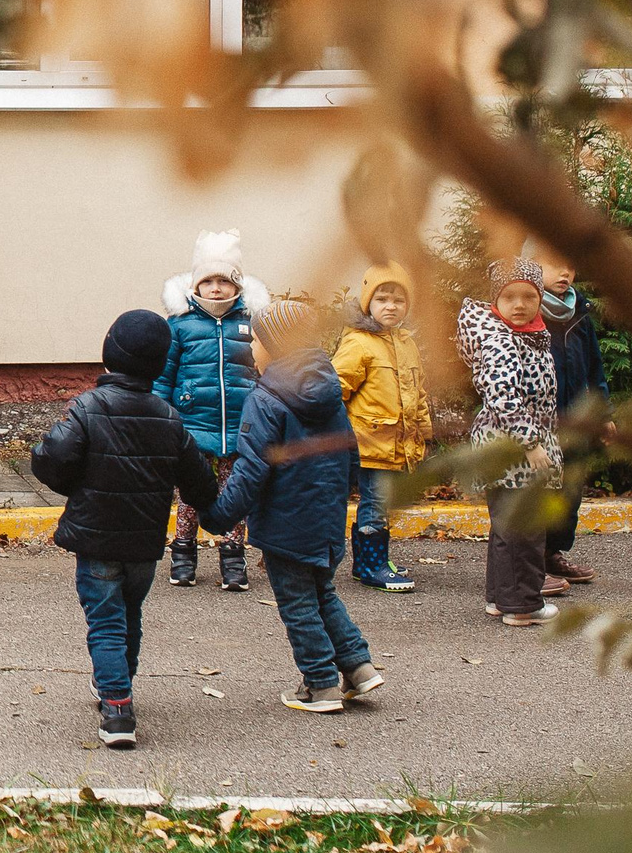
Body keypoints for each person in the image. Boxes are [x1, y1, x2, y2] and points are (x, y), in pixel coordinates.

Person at [29, 309, 220, 749]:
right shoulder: (169, 418)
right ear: (160, 364)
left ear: (109, 353)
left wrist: (75, 486)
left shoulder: (87, 408)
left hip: (97, 539)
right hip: (143, 544)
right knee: (128, 615)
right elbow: (200, 484)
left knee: (105, 622)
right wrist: (221, 511)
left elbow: (51, 458)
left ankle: (117, 707)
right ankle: (118, 684)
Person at [203, 307, 383, 715]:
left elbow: (251, 470)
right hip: (326, 515)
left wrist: (218, 516)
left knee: (298, 604)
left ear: (276, 345)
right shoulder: (328, 389)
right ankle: (358, 666)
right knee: (321, 592)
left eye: (257, 341)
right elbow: (350, 453)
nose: (252, 349)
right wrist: (338, 497)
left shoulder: (266, 398)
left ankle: (320, 684)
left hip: (285, 522)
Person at [154, 229, 268, 591]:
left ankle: (232, 557)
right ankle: (183, 553)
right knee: (190, 496)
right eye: (208, 281)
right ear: (195, 285)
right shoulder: (180, 325)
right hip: (192, 426)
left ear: (238, 285)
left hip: (239, 426)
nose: (216, 289)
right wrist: (162, 417)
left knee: (236, 494)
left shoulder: (249, 323)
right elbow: (164, 376)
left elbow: (263, 371)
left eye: (224, 281)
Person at [457, 259, 565, 626]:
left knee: (507, 527)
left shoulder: (526, 335)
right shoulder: (501, 339)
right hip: (515, 451)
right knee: (525, 529)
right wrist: (531, 443)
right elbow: (503, 398)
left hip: (507, 448)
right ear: (496, 300)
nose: (519, 305)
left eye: (529, 296)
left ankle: (500, 598)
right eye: (509, 297)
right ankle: (522, 606)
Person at [333, 263, 430, 593]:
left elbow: (418, 393)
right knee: (375, 503)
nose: (391, 306)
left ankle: (366, 563)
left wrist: (423, 431)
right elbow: (336, 389)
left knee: (379, 504)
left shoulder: (406, 343)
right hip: (370, 442)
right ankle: (374, 565)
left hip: (398, 443)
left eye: (399, 300)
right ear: (368, 303)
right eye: (382, 299)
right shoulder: (359, 343)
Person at [535, 253, 607, 585]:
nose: (565, 272)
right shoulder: (528, 311)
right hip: (541, 422)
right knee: (539, 490)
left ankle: (553, 554)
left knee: (570, 491)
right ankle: (531, 560)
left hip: (576, 420)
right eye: (555, 264)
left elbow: (595, 368)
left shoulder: (579, 313)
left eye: (571, 265)